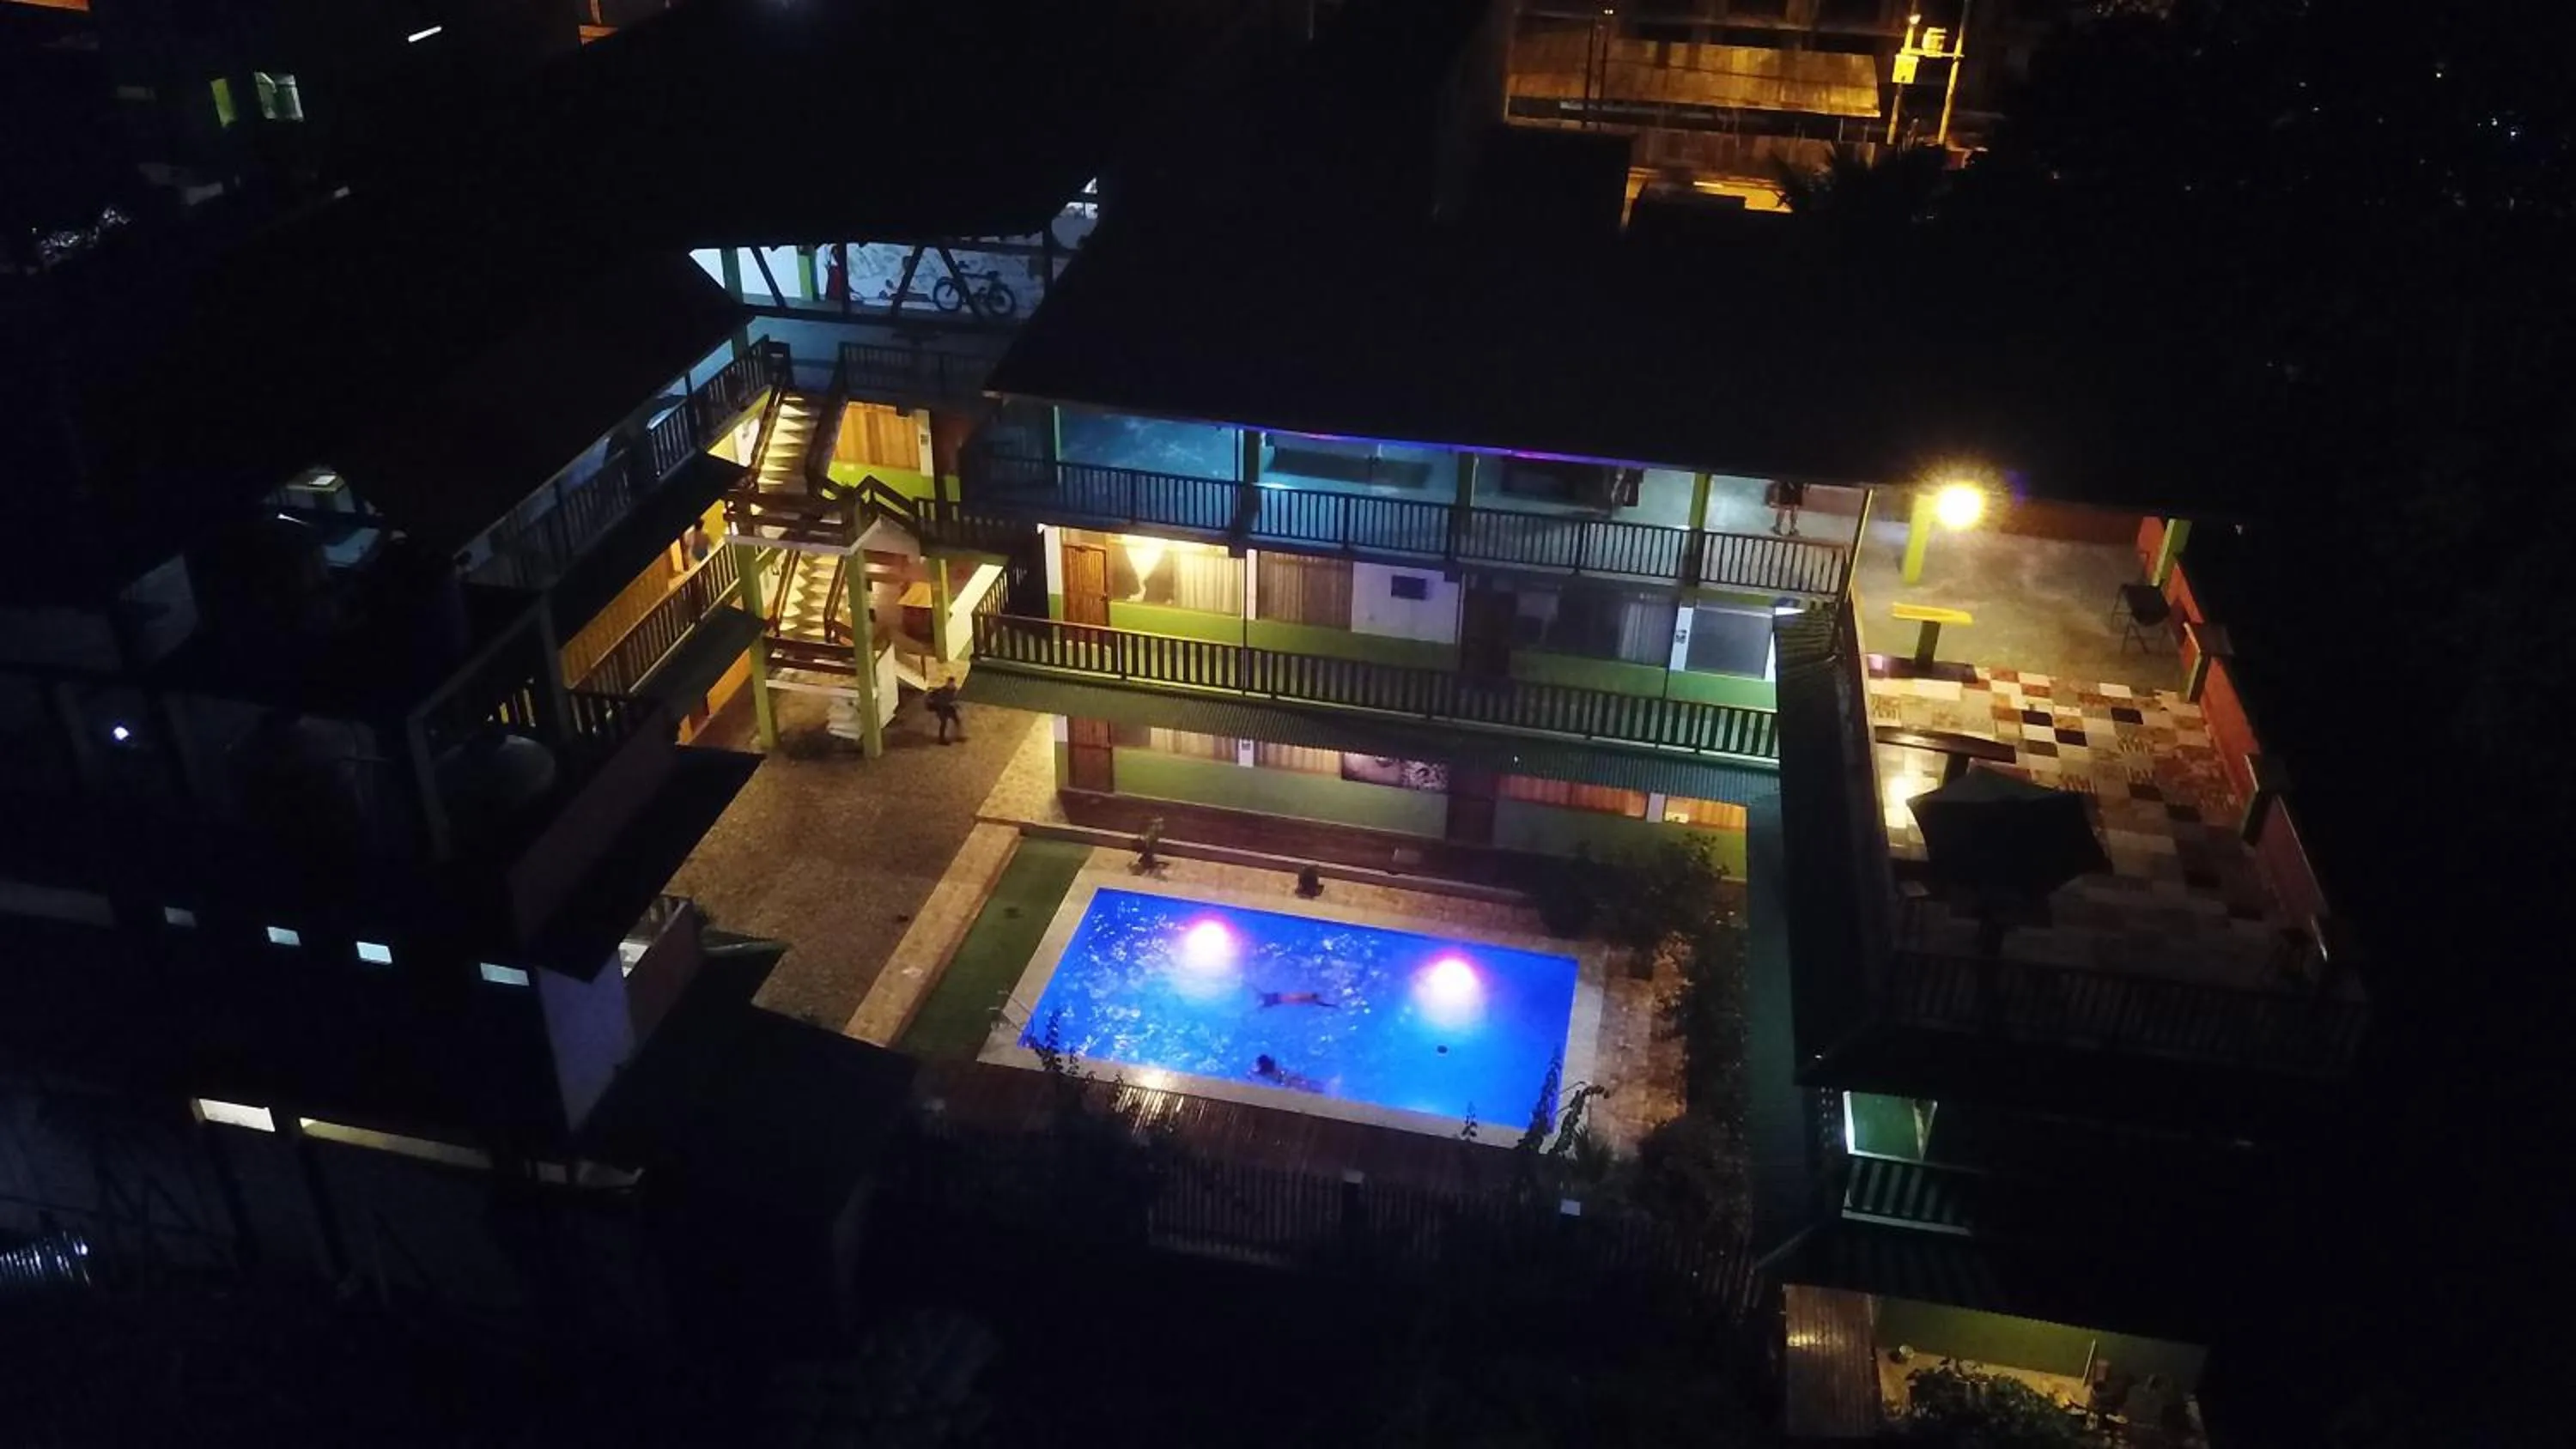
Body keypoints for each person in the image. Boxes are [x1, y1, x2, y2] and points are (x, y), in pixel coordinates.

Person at [926, 676, 962, 743]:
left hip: (949, 708)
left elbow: (953, 699)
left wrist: (955, 704)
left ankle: (957, 736)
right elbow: (938, 700)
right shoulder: (942, 691)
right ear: (947, 683)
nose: (951, 685)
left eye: (952, 683)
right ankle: (941, 739)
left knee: (957, 721)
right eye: (949, 683)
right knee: (944, 723)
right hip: (942, 709)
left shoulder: (954, 690)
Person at [1256, 990, 1334, 1009]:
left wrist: (1331, 1005)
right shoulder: (1307, 998)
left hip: (1279, 998)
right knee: (1263, 1002)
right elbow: (1321, 1004)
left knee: (1262, 995)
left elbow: (1321, 1004)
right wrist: (1332, 1006)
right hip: (1279, 999)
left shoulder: (1307, 996)